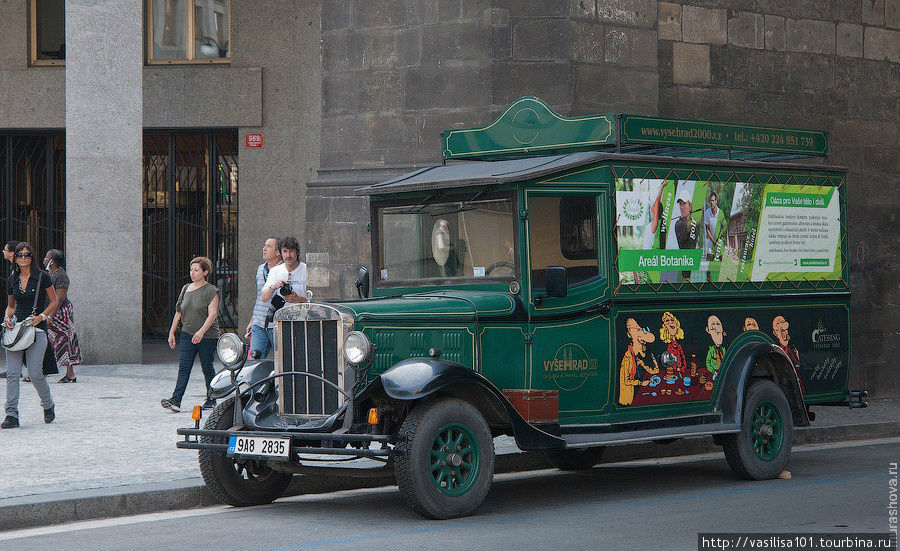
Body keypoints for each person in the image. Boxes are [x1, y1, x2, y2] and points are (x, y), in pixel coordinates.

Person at [2, 242, 59, 428]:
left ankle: (48, 404)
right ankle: (11, 414)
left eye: (27, 255)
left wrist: (41, 316)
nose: (23, 258)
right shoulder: (12, 279)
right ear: (15, 258)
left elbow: (54, 300)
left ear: (32, 257)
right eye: (20, 255)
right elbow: (11, 306)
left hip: (37, 330)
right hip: (18, 329)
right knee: (12, 374)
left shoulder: (42, 277)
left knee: (35, 374)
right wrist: (7, 318)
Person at [161, 257, 220, 413]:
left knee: (207, 367)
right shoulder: (185, 288)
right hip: (187, 334)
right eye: (191, 270)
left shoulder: (211, 291)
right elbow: (178, 312)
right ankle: (176, 401)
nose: (192, 273)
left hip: (207, 336)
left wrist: (201, 332)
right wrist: (172, 332)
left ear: (205, 272)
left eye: (196, 270)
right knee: (184, 367)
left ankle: (211, 398)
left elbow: (212, 315)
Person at [43, 249, 83, 383]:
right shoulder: (51, 273)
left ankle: (70, 374)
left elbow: (59, 299)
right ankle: (40, 371)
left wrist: (50, 317)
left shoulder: (61, 276)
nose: (44, 259)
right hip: (51, 312)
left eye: (46, 257)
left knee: (64, 341)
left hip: (60, 314)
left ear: (52, 261)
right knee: (46, 342)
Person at [246, 236, 282, 359]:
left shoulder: (285, 269)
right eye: (264, 245)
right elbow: (259, 296)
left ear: (278, 252)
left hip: (278, 324)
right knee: (254, 361)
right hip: (258, 324)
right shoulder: (260, 269)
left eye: (269, 246)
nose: (264, 248)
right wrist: (252, 320)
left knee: (283, 362)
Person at [260, 236, 308, 307]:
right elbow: (263, 298)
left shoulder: (306, 270)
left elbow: (316, 301)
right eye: (285, 251)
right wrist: (273, 287)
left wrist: (298, 299)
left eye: (291, 251)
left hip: (303, 315)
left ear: (297, 252)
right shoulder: (275, 271)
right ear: (281, 253)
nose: (288, 255)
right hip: (281, 316)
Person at [0, 241, 15, 378]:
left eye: (5, 250)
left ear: (11, 253)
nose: (3, 252)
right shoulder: (12, 268)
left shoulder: (17, 270)